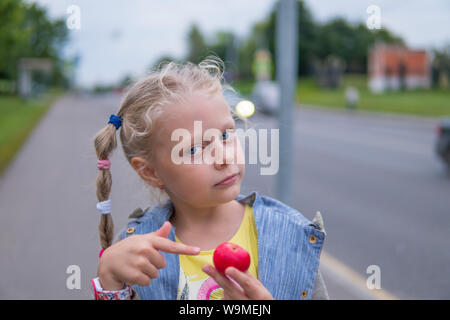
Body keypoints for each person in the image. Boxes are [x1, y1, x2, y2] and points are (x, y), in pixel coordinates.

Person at [91, 56, 329, 300]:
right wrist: (109, 280)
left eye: (226, 135)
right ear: (150, 172)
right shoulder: (136, 252)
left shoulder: (291, 236)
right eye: (194, 149)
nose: (223, 157)